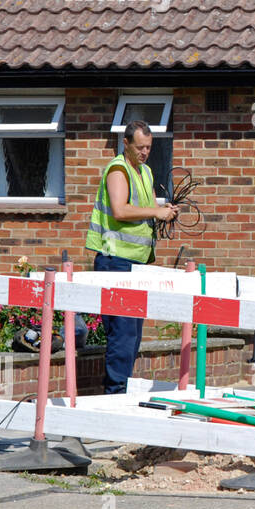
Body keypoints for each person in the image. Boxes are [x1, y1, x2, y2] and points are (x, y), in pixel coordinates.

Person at [85, 119, 178, 393]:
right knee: (122, 334)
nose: (144, 152)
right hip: (115, 262)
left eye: (148, 147)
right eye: (139, 147)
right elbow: (120, 211)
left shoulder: (145, 172)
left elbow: (148, 207)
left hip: (136, 264)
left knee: (133, 335)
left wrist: (166, 211)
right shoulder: (118, 169)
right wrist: (155, 212)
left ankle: (121, 392)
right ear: (125, 143)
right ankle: (115, 394)